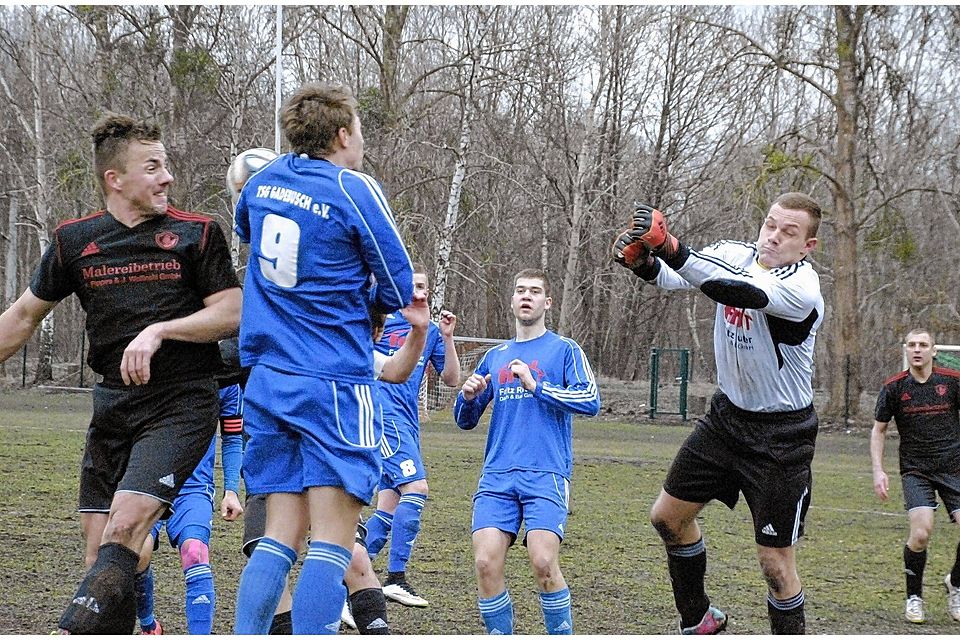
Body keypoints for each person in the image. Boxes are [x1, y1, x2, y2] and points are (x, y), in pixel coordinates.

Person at [0, 113, 241, 634]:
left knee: (127, 525)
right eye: (152, 167)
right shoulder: (73, 241)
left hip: (181, 403)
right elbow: (22, 318)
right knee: (104, 558)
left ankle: (67, 631)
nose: (166, 177)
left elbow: (231, 312)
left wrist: (160, 331)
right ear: (115, 179)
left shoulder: (195, 235)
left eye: (166, 165)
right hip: (112, 409)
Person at [232, 82, 413, 634]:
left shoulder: (262, 182)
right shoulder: (352, 187)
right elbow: (399, 283)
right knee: (332, 540)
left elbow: (247, 231)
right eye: (359, 129)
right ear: (341, 134)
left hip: (267, 380)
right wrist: (372, 303)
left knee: (279, 534)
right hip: (333, 382)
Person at [612, 193, 823, 635]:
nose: (775, 236)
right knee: (667, 519)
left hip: (781, 436)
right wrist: (644, 264)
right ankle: (699, 620)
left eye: (790, 232)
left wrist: (669, 245)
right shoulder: (734, 254)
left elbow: (734, 291)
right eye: (771, 224)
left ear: (808, 246)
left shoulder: (802, 289)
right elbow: (678, 277)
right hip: (726, 421)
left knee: (775, 566)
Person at [239, 294, 432, 636]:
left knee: (322, 552)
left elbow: (396, 369)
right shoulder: (341, 340)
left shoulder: (292, 326)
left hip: (277, 404)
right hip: (331, 428)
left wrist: (419, 331)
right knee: (314, 549)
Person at [453, 268, 600, 635]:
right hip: (497, 475)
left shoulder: (565, 350)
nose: (526, 296)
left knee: (544, 563)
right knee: (486, 563)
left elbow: (590, 400)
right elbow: (464, 420)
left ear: (547, 302)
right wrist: (467, 397)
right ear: (513, 299)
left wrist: (537, 386)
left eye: (535, 291)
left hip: (545, 473)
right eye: (520, 290)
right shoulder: (495, 355)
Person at [133, 339, 247, 635]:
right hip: (150, 482)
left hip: (194, 488)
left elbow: (233, 437)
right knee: (138, 555)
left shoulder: (226, 379)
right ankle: (149, 626)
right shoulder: (158, 366)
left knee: (195, 553)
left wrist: (231, 489)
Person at [365, 263, 460, 608]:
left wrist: (448, 338)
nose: (418, 290)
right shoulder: (376, 322)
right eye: (412, 284)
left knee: (388, 504)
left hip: (407, 423)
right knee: (416, 488)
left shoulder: (430, 330)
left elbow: (451, 379)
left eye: (424, 286)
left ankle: (349, 582)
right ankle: (395, 579)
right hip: (382, 418)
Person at [871, 328, 960, 624]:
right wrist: (878, 470)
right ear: (906, 350)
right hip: (916, 470)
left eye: (923, 345)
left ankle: (955, 584)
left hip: (954, 468)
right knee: (921, 534)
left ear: (934, 351)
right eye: (912, 345)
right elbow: (879, 430)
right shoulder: (895, 388)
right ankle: (914, 597)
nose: (917, 349)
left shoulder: (951, 381)